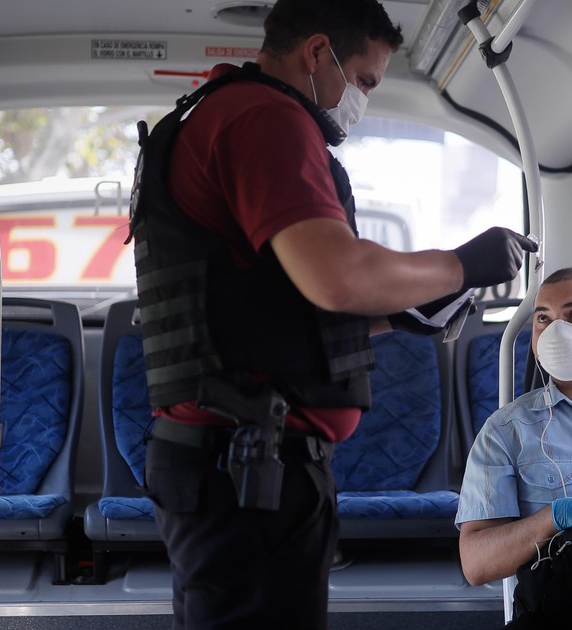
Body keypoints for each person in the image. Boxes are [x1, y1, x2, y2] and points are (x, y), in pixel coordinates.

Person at [128, 0, 537, 627]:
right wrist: (463, 264)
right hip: (248, 470)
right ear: (317, 53)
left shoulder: (218, 112)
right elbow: (340, 276)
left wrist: (400, 314)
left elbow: (265, 310)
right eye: (366, 80)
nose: (364, 101)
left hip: (229, 462)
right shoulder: (266, 117)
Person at [456, 267, 572, 629]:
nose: (557, 330)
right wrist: (554, 517)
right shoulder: (506, 431)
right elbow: (477, 563)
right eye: (543, 318)